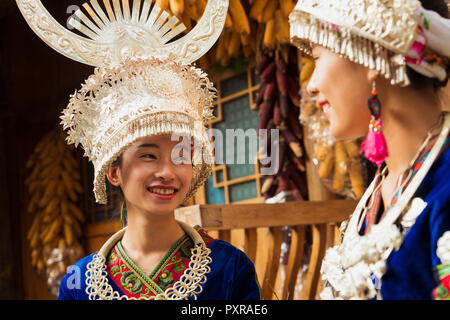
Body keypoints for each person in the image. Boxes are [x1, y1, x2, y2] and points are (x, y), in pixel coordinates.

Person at [17, 0, 260, 300]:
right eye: (148, 154)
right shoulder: (77, 286)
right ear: (113, 170)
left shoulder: (230, 268)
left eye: (181, 154)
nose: (168, 172)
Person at [290, 0, 450, 299]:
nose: (311, 85)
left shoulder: (445, 186)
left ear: (371, 55)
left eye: (318, 57)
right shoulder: (380, 188)